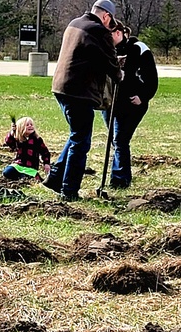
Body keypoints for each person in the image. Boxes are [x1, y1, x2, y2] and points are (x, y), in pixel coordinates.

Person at [44, 0, 123, 202]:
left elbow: (88, 55)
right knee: (81, 141)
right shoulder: (99, 31)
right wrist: (119, 72)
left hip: (61, 87)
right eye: (110, 21)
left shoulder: (75, 23)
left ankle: (54, 178)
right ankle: (69, 191)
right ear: (106, 16)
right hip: (79, 92)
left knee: (76, 134)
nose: (110, 26)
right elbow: (110, 63)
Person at [102, 20, 159, 189]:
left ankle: (120, 179)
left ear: (118, 33)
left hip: (131, 105)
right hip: (110, 104)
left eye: (108, 35)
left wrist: (143, 96)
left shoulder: (138, 49)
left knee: (120, 139)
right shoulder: (107, 50)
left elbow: (152, 78)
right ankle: (118, 174)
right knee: (115, 140)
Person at [2, 116, 51, 181]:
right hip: (18, 165)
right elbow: (9, 142)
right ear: (21, 128)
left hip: (31, 168)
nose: (30, 126)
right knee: (7, 172)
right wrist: (12, 132)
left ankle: (26, 177)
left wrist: (46, 163)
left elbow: (45, 152)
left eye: (31, 124)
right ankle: (21, 177)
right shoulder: (18, 139)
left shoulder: (37, 140)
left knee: (29, 177)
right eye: (27, 125)